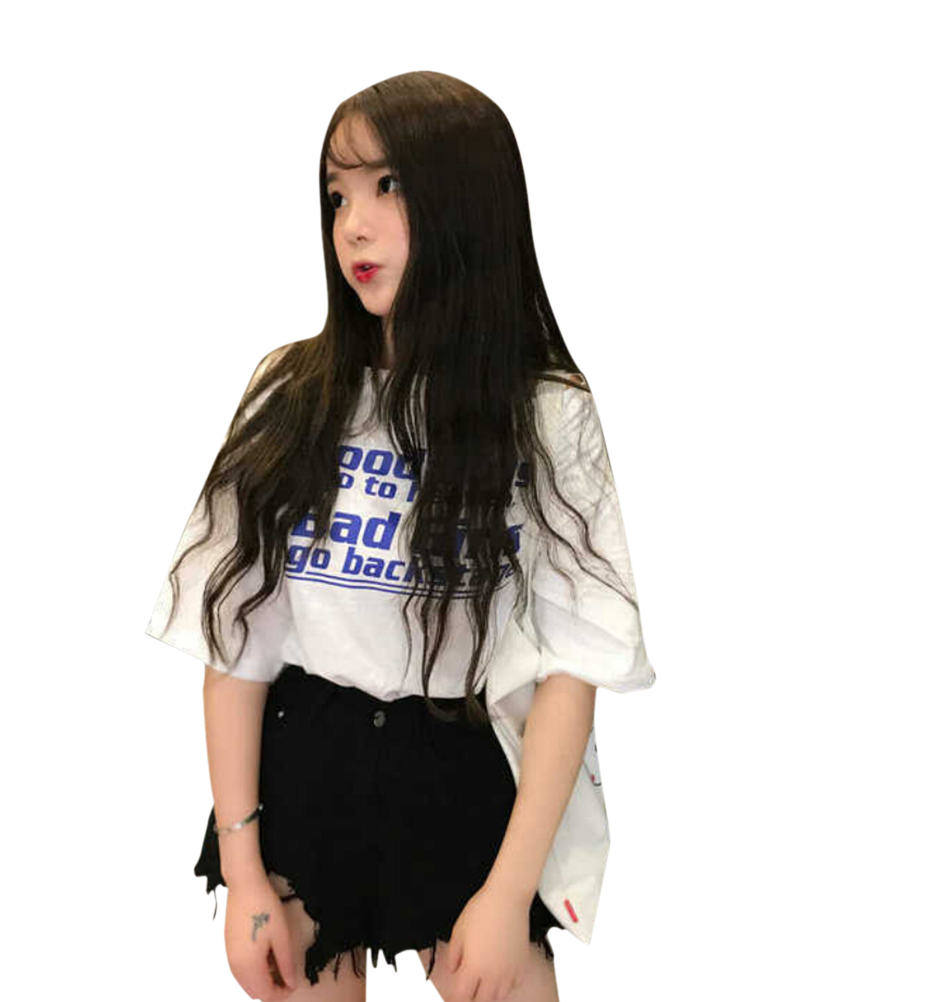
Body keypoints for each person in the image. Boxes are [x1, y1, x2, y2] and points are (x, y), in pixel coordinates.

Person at [144, 70, 657, 1002]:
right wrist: (244, 871)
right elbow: (236, 645)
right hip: (306, 767)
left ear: (467, 202)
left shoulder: (544, 414)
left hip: (457, 763)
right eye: (337, 195)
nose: (353, 226)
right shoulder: (290, 392)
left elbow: (571, 669)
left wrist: (508, 893)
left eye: (388, 186)